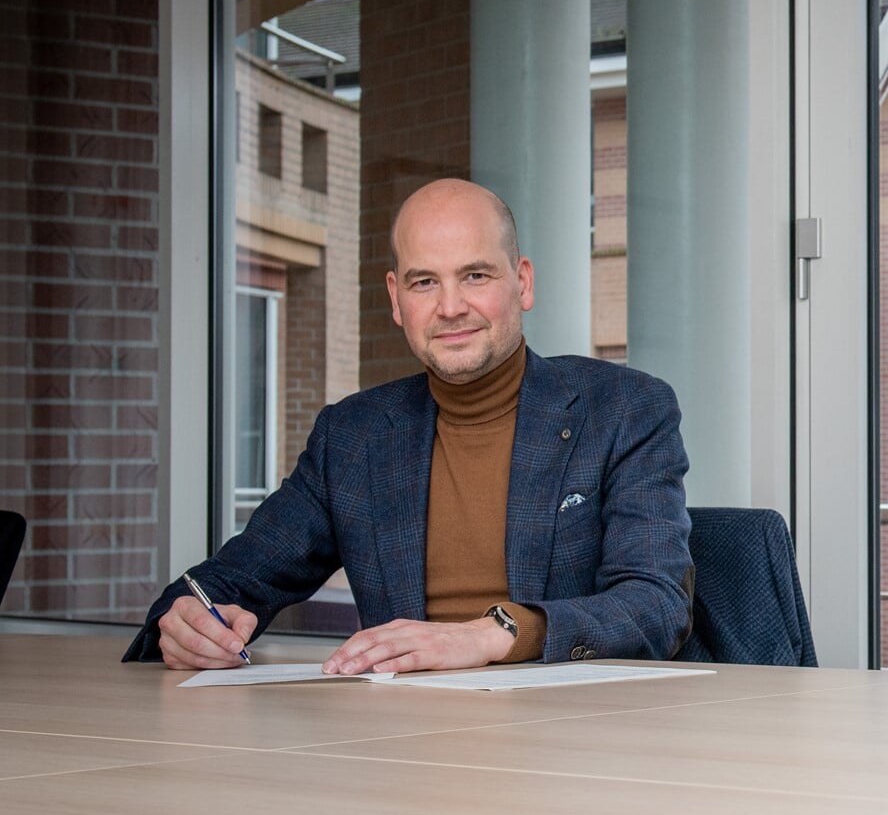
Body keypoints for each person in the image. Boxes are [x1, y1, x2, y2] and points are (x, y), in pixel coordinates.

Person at [125, 178, 693, 674]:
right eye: (425, 282)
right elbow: (226, 584)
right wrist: (188, 624)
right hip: (403, 738)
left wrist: (490, 633)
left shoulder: (623, 409)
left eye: (475, 275)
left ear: (521, 282)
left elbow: (656, 605)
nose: (450, 307)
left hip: (577, 742)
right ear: (396, 299)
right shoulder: (352, 437)